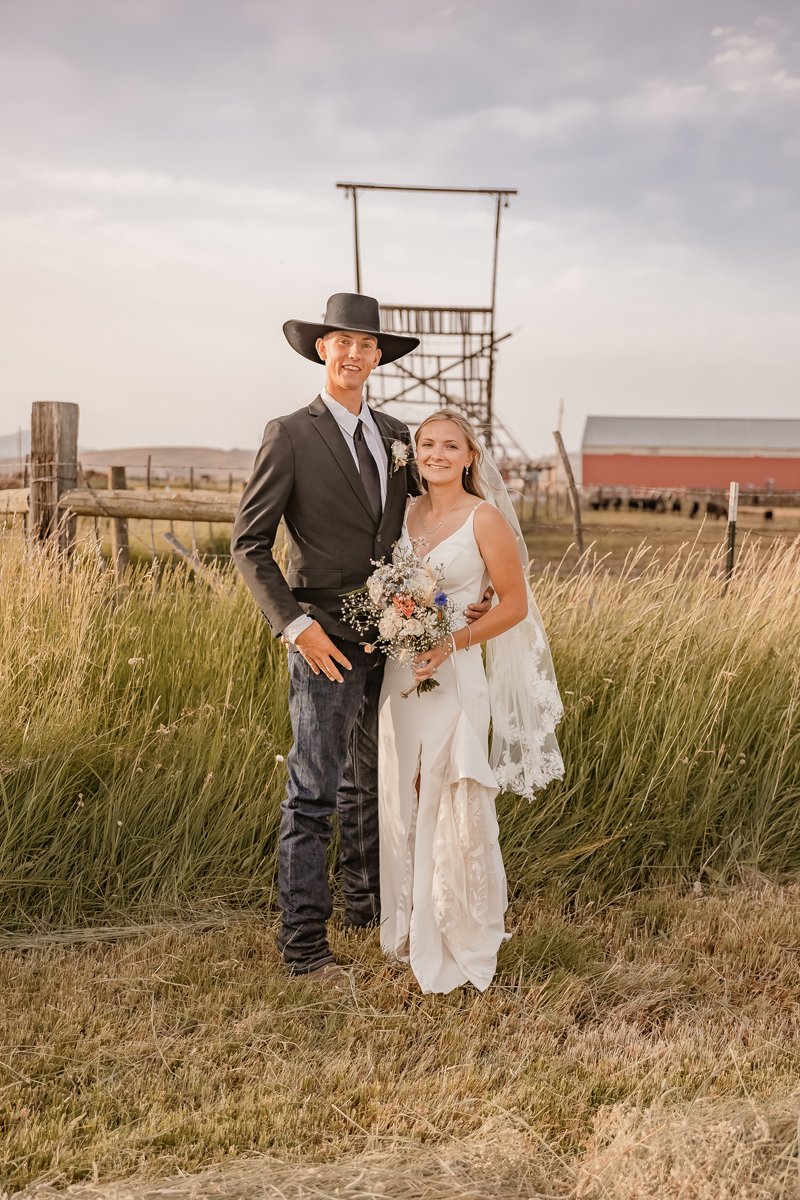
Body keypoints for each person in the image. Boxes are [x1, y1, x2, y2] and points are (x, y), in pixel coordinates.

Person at [231, 294, 489, 983]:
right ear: (323, 350)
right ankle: (303, 946)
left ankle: (365, 908)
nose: (354, 354)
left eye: (366, 346)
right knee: (313, 791)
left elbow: (429, 519)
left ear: (379, 357)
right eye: (341, 342)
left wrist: (471, 587)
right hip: (324, 638)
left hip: (393, 640)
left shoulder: (398, 433)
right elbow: (249, 544)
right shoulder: (288, 434)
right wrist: (295, 626)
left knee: (371, 785)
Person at [378, 409, 564, 994]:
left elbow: (511, 604)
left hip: (456, 671)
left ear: (469, 457)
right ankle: (402, 922)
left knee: (446, 786)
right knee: (400, 788)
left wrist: (450, 640)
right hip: (399, 671)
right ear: (415, 453)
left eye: (449, 446)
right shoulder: (402, 513)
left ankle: (454, 926)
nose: (436, 454)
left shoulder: (484, 518)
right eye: (426, 444)